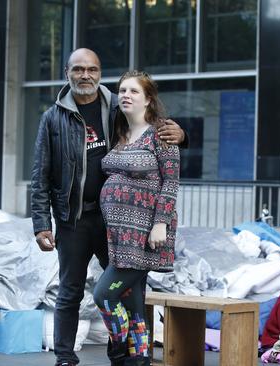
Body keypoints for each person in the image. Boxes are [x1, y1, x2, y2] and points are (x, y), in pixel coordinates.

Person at [30, 49, 186, 366]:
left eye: (92, 69)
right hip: (73, 217)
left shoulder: (117, 107)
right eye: (78, 69)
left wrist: (183, 134)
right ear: (67, 72)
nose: (85, 75)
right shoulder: (52, 118)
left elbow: (158, 134)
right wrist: (41, 222)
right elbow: (40, 174)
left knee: (126, 293)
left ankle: (126, 353)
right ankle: (64, 356)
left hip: (117, 225)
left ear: (100, 73)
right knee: (70, 289)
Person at [93, 70, 179, 366]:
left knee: (104, 295)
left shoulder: (162, 134)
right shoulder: (120, 134)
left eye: (133, 91)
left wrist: (160, 225)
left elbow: (170, 183)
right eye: (123, 90)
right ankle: (137, 360)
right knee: (134, 304)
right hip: (118, 237)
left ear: (148, 99)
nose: (126, 95)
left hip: (144, 236)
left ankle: (118, 348)